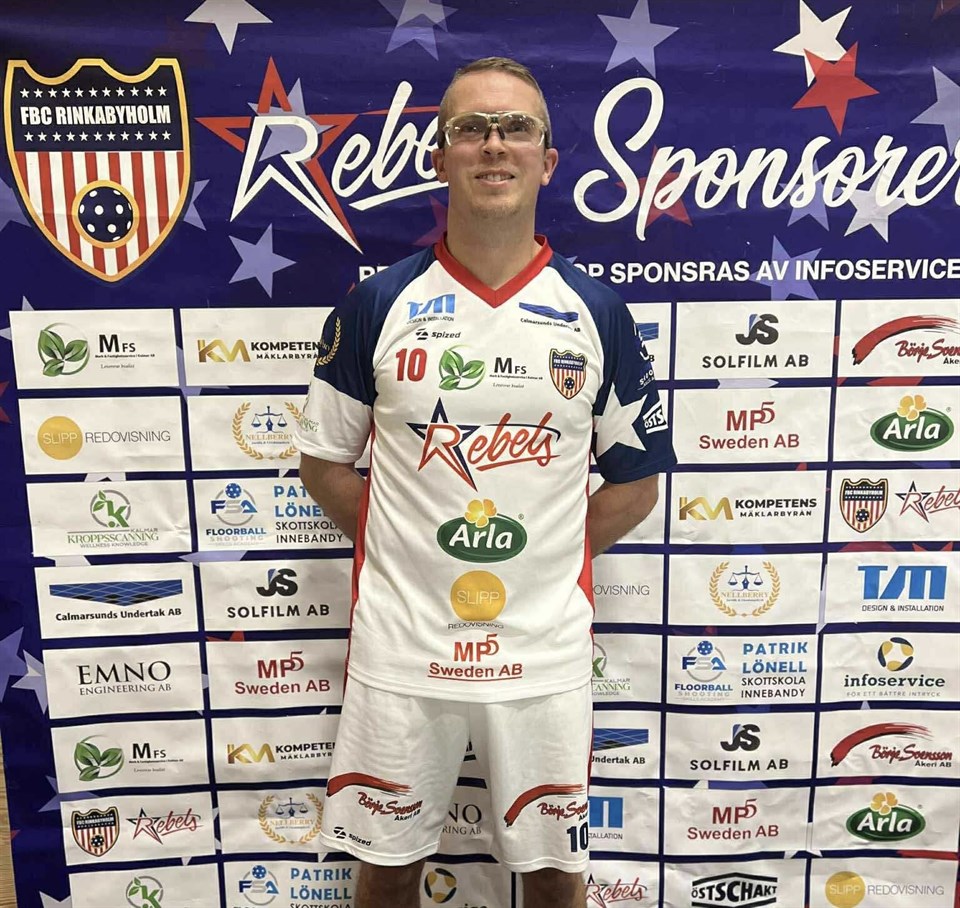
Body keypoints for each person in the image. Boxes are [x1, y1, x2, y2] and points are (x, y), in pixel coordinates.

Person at [294, 56, 676, 908]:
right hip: (403, 651)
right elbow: (323, 465)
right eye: (470, 129)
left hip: (543, 653)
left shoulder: (598, 313)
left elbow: (636, 484)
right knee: (385, 873)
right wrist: (413, 553)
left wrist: (543, 559)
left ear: (547, 160)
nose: (493, 145)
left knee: (554, 879)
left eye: (516, 129)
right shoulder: (376, 305)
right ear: (441, 157)